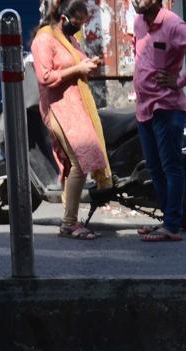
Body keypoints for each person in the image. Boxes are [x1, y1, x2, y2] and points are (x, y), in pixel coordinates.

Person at [31, 0, 112, 240]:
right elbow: (45, 76)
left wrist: (87, 65)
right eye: (77, 23)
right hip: (58, 108)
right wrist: (77, 70)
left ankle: (70, 218)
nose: (80, 29)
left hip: (76, 105)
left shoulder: (68, 38)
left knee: (76, 165)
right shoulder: (44, 39)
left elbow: (75, 64)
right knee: (79, 163)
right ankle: (69, 223)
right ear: (64, 18)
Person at [132, 0, 186, 242]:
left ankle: (173, 225)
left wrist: (182, 79)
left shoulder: (173, 24)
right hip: (144, 107)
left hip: (166, 107)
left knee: (171, 168)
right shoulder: (138, 22)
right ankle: (168, 221)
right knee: (154, 168)